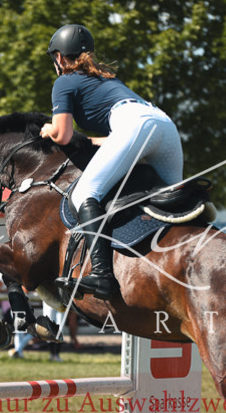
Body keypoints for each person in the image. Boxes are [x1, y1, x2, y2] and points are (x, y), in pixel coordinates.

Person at [41, 24, 183, 301]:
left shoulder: (65, 81)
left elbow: (62, 134)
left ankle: (103, 275)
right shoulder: (106, 80)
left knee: (84, 194)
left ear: (59, 57)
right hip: (163, 126)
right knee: (173, 200)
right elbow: (119, 139)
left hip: (135, 126)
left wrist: (48, 130)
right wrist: (89, 141)